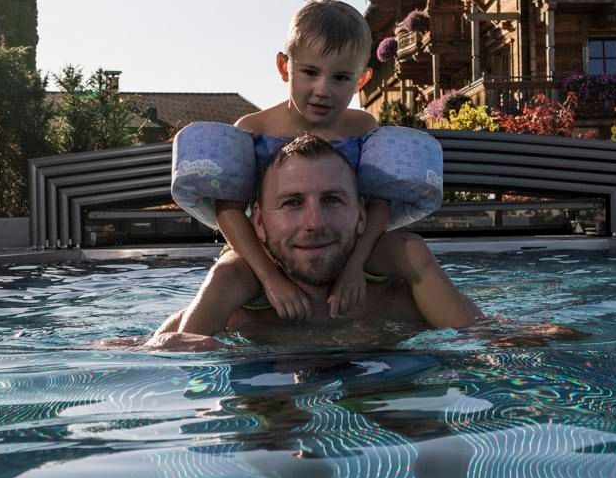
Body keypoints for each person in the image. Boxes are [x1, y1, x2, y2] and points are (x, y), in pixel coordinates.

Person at [217, 0, 442, 321]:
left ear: (361, 80)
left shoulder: (362, 127)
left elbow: (378, 202)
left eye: (341, 78)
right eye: (310, 72)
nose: (323, 89)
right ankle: (171, 342)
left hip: (348, 249)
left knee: (412, 248)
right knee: (225, 274)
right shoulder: (253, 129)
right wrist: (270, 277)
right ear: (284, 67)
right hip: (266, 254)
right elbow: (228, 209)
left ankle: (482, 335)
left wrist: (355, 267)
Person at [149, 135, 478, 349]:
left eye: (332, 200)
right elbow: (158, 360)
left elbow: (492, 343)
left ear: (362, 215)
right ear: (258, 222)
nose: (314, 223)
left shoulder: (412, 301)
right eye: (292, 203)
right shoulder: (230, 315)